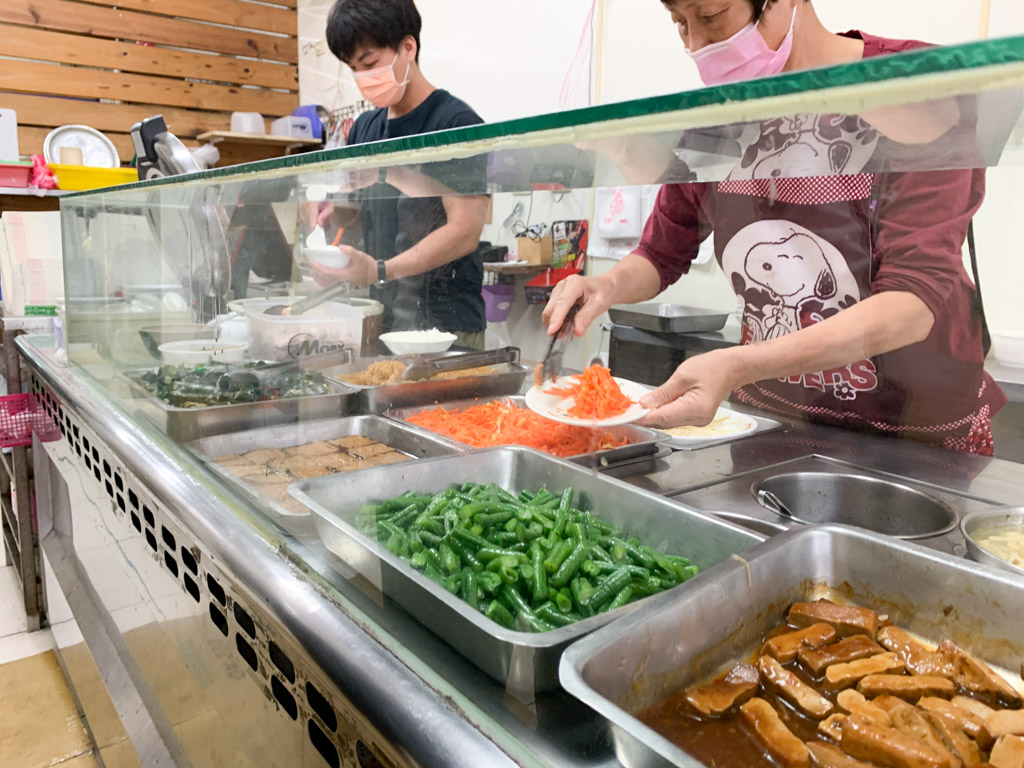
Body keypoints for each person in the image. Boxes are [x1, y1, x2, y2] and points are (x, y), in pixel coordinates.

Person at [543, 0, 1006, 456]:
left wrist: (735, 363)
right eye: (680, 23)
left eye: (711, 16)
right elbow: (662, 253)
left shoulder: (913, 87)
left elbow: (913, 300)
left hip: (911, 431)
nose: (698, 46)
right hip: (774, 419)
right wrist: (604, 286)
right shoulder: (719, 116)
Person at [316, 0, 490, 349]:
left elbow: (465, 231)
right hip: (383, 316)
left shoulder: (456, 123)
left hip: (446, 325)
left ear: (407, 47)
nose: (362, 79)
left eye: (369, 63)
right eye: (353, 68)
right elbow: (360, 215)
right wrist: (332, 216)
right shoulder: (365, 128)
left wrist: (380, 270)